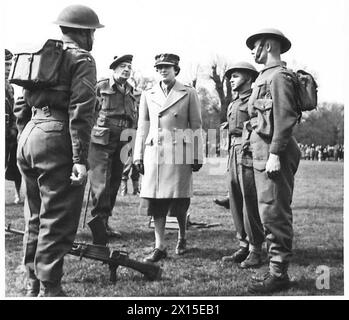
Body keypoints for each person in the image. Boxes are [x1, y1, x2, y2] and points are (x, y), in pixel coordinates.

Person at [14, 4, 104, 297]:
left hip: (30, 135)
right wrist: (79, 159)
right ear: (85, 32)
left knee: (34, 216)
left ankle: (33, 284)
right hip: (58, 137)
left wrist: (28, 133)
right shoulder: (82, 59)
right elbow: (81, 110)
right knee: (57, 218)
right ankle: (51, 289)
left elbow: (20, 105)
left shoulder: (40, 55)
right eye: (92, 32)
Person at [245, 28, 301, 293]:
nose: (252, 51)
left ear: (267, 46)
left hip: (272, 154)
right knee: (268, 211)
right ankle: (276, 270)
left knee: (274, 212)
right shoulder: (263, 77)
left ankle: (278, 274)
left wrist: (276, 154)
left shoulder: (278, 77)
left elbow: (285, 116)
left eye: (255, 46)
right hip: (262, 152)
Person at [134, 53, 203, 262]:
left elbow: (196, 125)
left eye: (167, 67)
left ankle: (182, 235)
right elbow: (142, 126)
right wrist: (138, 154)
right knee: (156, 201)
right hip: (154, 152)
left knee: (178, 199)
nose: (163, 70)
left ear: (176, 70)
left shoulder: (188, 93)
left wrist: (197, 154)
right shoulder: (148, 93)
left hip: (179, 152)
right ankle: (159, 245)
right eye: (159, 67)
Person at [221, 62, 265, 268]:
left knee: (250, 200)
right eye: (230, 76)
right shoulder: (233, 103)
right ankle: (243, 244)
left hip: (248, 151)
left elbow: (262, 125)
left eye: (235, 76)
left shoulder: (254, 100)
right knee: (235, 200)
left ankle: (256, 248)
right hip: (233, 152)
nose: (231, 79)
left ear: (248, 77)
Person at [88, 54, 137, 237]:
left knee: (115, 181)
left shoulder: (131, 89)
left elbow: (133, 116)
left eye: (129, 67)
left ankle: (105, 223)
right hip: (102, 140)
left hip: (124, 139)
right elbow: (88, 112)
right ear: (114, 69)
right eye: (123, 66)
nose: (126, 69)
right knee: (101, 182)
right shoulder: (101, 86)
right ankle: (98, 226)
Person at [5, 49, 22, 204]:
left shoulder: (10, 87)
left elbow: (12, 110)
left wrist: (14, 129)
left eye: (10, 64)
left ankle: (18, 194)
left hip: (9, 134)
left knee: (15, 167)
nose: (8, 68)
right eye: (5, 65)